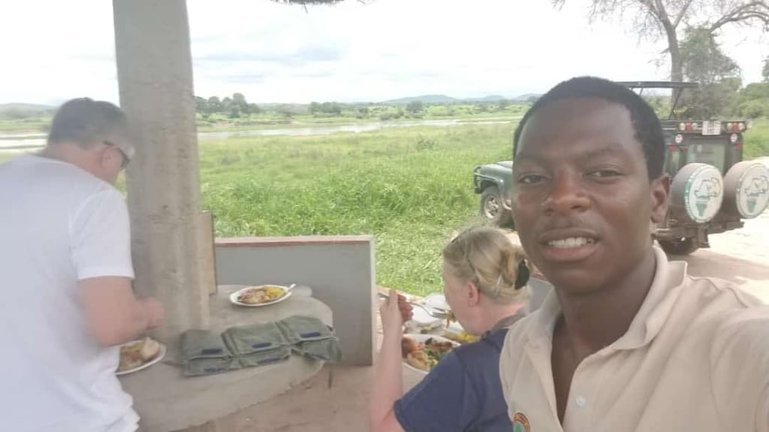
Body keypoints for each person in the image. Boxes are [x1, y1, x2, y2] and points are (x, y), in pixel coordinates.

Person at [499, 76, 769, 431]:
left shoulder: (743, 353)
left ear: (657, 199)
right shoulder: (520, 350)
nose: (562, 197)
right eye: (533, 178)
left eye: (602, 172)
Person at [0, 98, 165, 432]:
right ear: (110, 153)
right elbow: (113, 328)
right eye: (123, 165)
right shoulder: (93, 198)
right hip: (73, 416)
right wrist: (145, 312)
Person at [370, 226, 531, 432]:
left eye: (446, 284)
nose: (446, 295)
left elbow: (383, 428)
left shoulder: (469, 367)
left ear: (471, 293)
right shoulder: (549, 336)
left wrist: (392, 332)